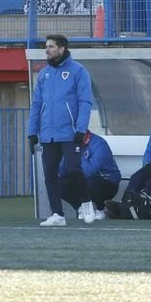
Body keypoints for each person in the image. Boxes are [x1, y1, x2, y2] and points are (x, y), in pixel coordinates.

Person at [27, 35, 95, 227]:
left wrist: (81, 129)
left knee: (73, 169)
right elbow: (36, 105)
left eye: (50, 46)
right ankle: (57, 214)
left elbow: (85, 102)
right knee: (49, 174)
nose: (47, 50)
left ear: (62, 49)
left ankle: (87, 203)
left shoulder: (78, 71)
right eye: (46, 46)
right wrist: (32, 132)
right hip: (48, 133)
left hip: (70, 133)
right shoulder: (44, 75)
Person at [58, 130, 121, 222]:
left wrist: (77, 151)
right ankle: (81, 209)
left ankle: (101, 209)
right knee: (57, 184)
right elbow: (62, 171)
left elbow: (88, 171)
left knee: (89, 182)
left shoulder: (99, 144)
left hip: (108, 182)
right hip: (83, 180)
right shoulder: (68, 145)